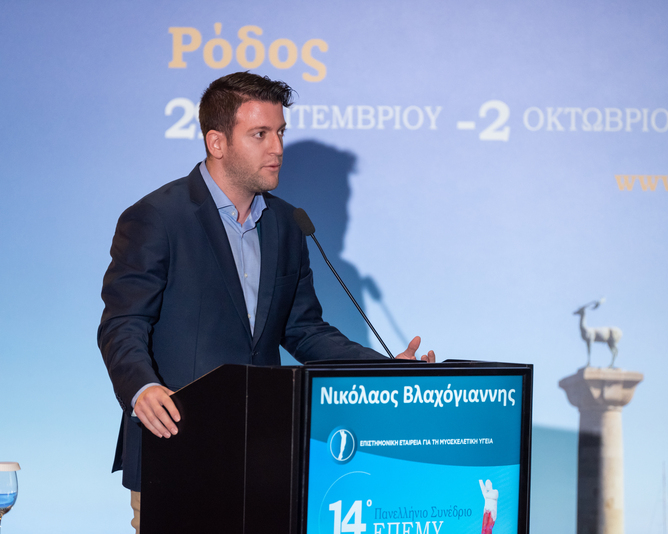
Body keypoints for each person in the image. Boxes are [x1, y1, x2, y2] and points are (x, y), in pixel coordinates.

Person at [98, 71, 434, 533]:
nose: (276, 148)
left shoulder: (287, 224)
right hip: (177, 447)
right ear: (217, 142)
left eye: (280, 133)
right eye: (260, 134)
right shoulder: (157, 217)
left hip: (264, 457)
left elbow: (304, 330)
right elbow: (123, 323)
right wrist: (142, 389)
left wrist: (383, 370)